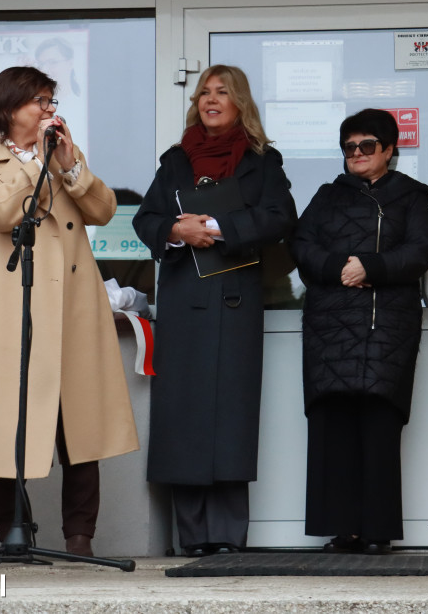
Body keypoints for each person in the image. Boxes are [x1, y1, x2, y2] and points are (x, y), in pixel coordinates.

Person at [0, 66, 138, 557]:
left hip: (76, 305)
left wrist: (68, 165)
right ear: (9, 106)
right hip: (19, 306)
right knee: (8, 421)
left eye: (51, 101)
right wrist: (38, 166)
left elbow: (102, 210)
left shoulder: (62, 158)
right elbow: (0, 213)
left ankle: (80, 539)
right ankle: (12, 534)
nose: (49, 110)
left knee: (80, 424)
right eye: (40, 100)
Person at [133, 64, 297, 557]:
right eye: (205, 92)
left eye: (222, 92)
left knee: (230, 417)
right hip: (185, 304)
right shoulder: (176, 160)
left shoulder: (263, 161)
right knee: (185, 416)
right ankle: (193, 537)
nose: (211, 99)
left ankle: (227, 536)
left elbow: (280, 217)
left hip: (237, 302)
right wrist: (177, 232)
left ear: (239, 102)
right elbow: (147, 218)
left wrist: (220, 227)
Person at [291, 108, 428, 555]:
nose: (357, 153)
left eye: (367, 145)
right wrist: (345, 269)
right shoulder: (325, 196)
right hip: (330, 325)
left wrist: (371, 267)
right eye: (349, 147)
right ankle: (342, 531)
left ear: (389, 149)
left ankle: (376, 531)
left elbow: (419, 250)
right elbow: (301, 246)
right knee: (333, 426)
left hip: (387, 324)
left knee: (378, 427)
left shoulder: (414, 196)